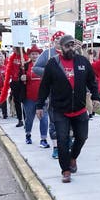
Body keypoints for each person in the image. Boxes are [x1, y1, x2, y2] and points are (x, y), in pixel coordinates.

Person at [36, 35, 100, 183]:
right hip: (60, 110)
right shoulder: (53, 63)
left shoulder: (82, 62)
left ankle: (73, 158)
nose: (70, 48)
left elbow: (92, 81)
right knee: (62, 140)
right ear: (61, 47)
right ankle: (65, 170)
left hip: (79, 108)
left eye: (72, 45)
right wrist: (39, 105)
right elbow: (44, 86)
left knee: (82, 137)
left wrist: (96, 97)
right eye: (67, 46)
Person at [34, 31, 65, 159]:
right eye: (56, 38)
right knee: (53, 120)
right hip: (52, 93)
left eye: (61, 38)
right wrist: (50, 72)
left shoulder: (69, 53)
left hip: (69, 94)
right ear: (53, 41)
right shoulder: (47, 54)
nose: (58, 40)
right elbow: (35, 68)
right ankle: (56, 148)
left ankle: (67, 142)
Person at [22, 45, 49, 147]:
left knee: (44, 118)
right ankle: (28, 135)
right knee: (29, 118)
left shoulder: (45, 66)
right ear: (30, 55)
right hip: (29, 98)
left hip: (42, 98)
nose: (34, 56)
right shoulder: (24, 66)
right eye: (32, 54)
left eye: (36, 54)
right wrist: (22, 78)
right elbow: (18, 81)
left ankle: (43, 139)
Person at [0, 47, 27, 127]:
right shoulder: (12, 57)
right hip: (14, 82)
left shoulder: (25, 56)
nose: (13, 49)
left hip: (23, 82)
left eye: (14, 48)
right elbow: (8, 68)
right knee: (16, 102)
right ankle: (20, 119)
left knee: (24, 102)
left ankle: (26, 119)